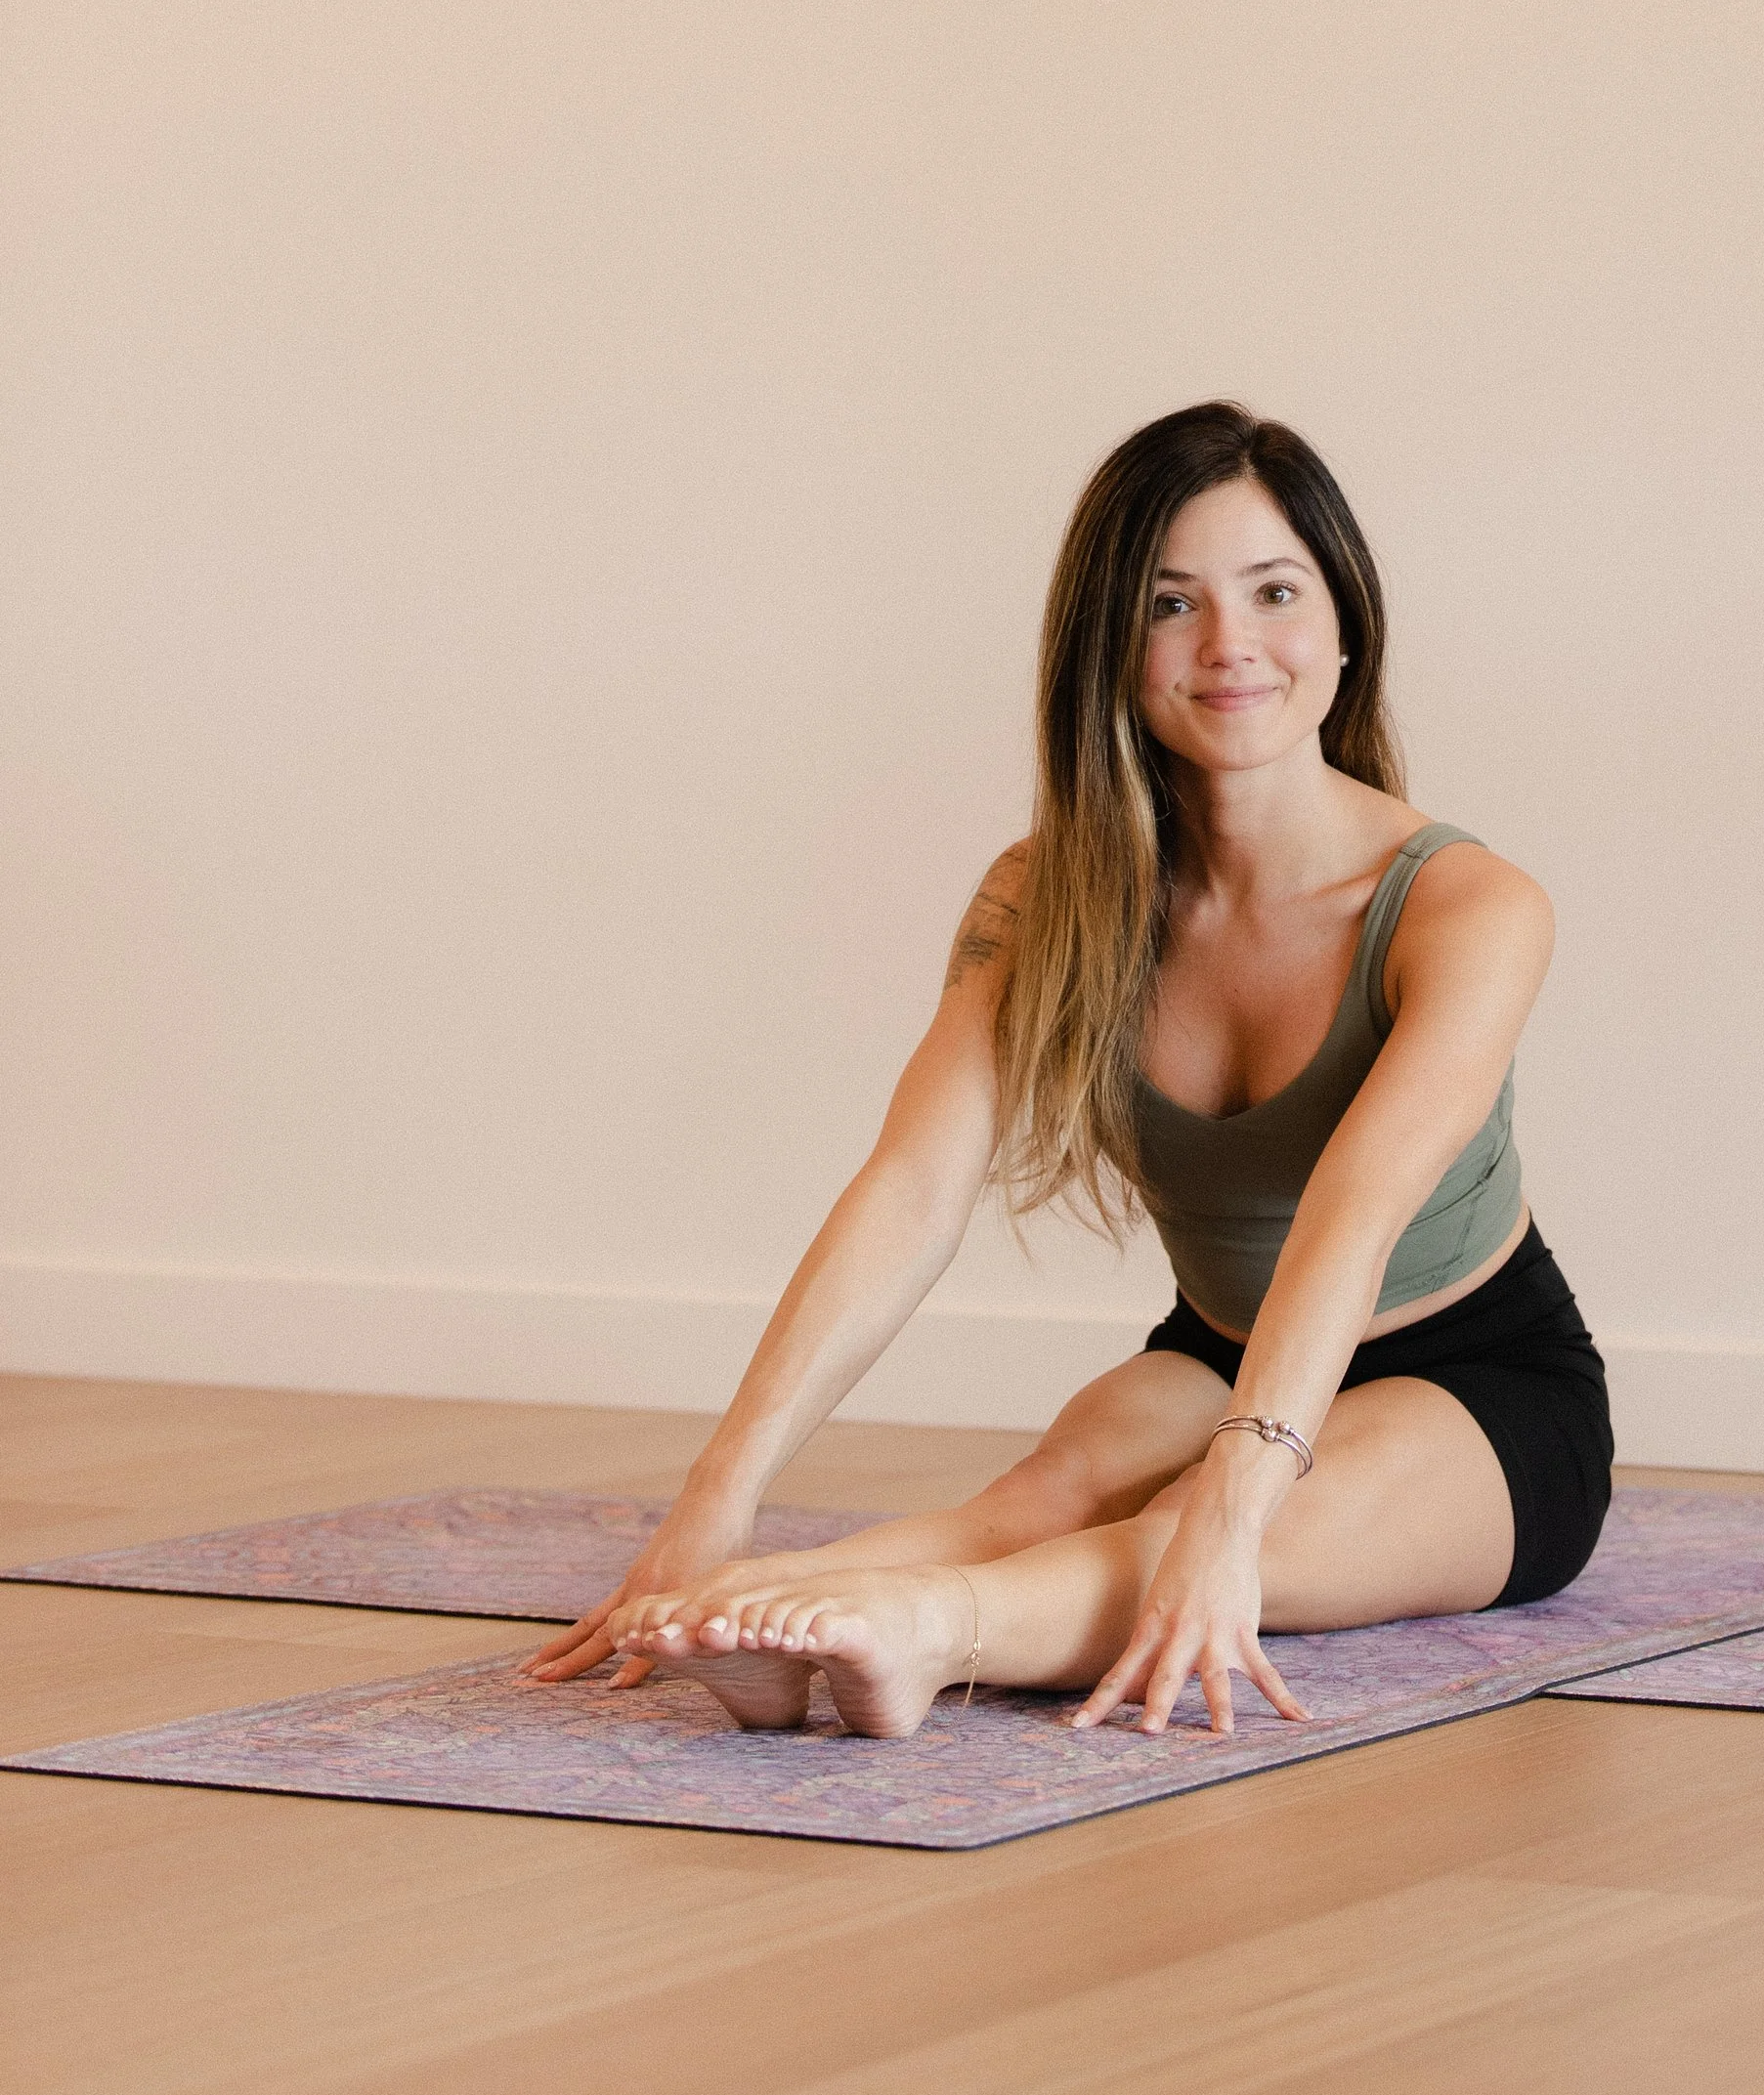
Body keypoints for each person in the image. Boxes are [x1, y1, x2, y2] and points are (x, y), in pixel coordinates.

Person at [524, 402, 1613, 1740]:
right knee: (1035, 1498)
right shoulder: (1048, 897)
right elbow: (913, 1189)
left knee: (1201, 1533)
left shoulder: (1470, 907)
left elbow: (1355, 1214)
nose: (1231, 645)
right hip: (1220, 1349)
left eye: (1275, 591)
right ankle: (749, 1614)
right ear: (1114, 640)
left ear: (1343, 626)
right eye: (1172, 603)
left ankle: (921, 1633)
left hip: (1484, 1385)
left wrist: (1232, 1501)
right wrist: (717, 1500)